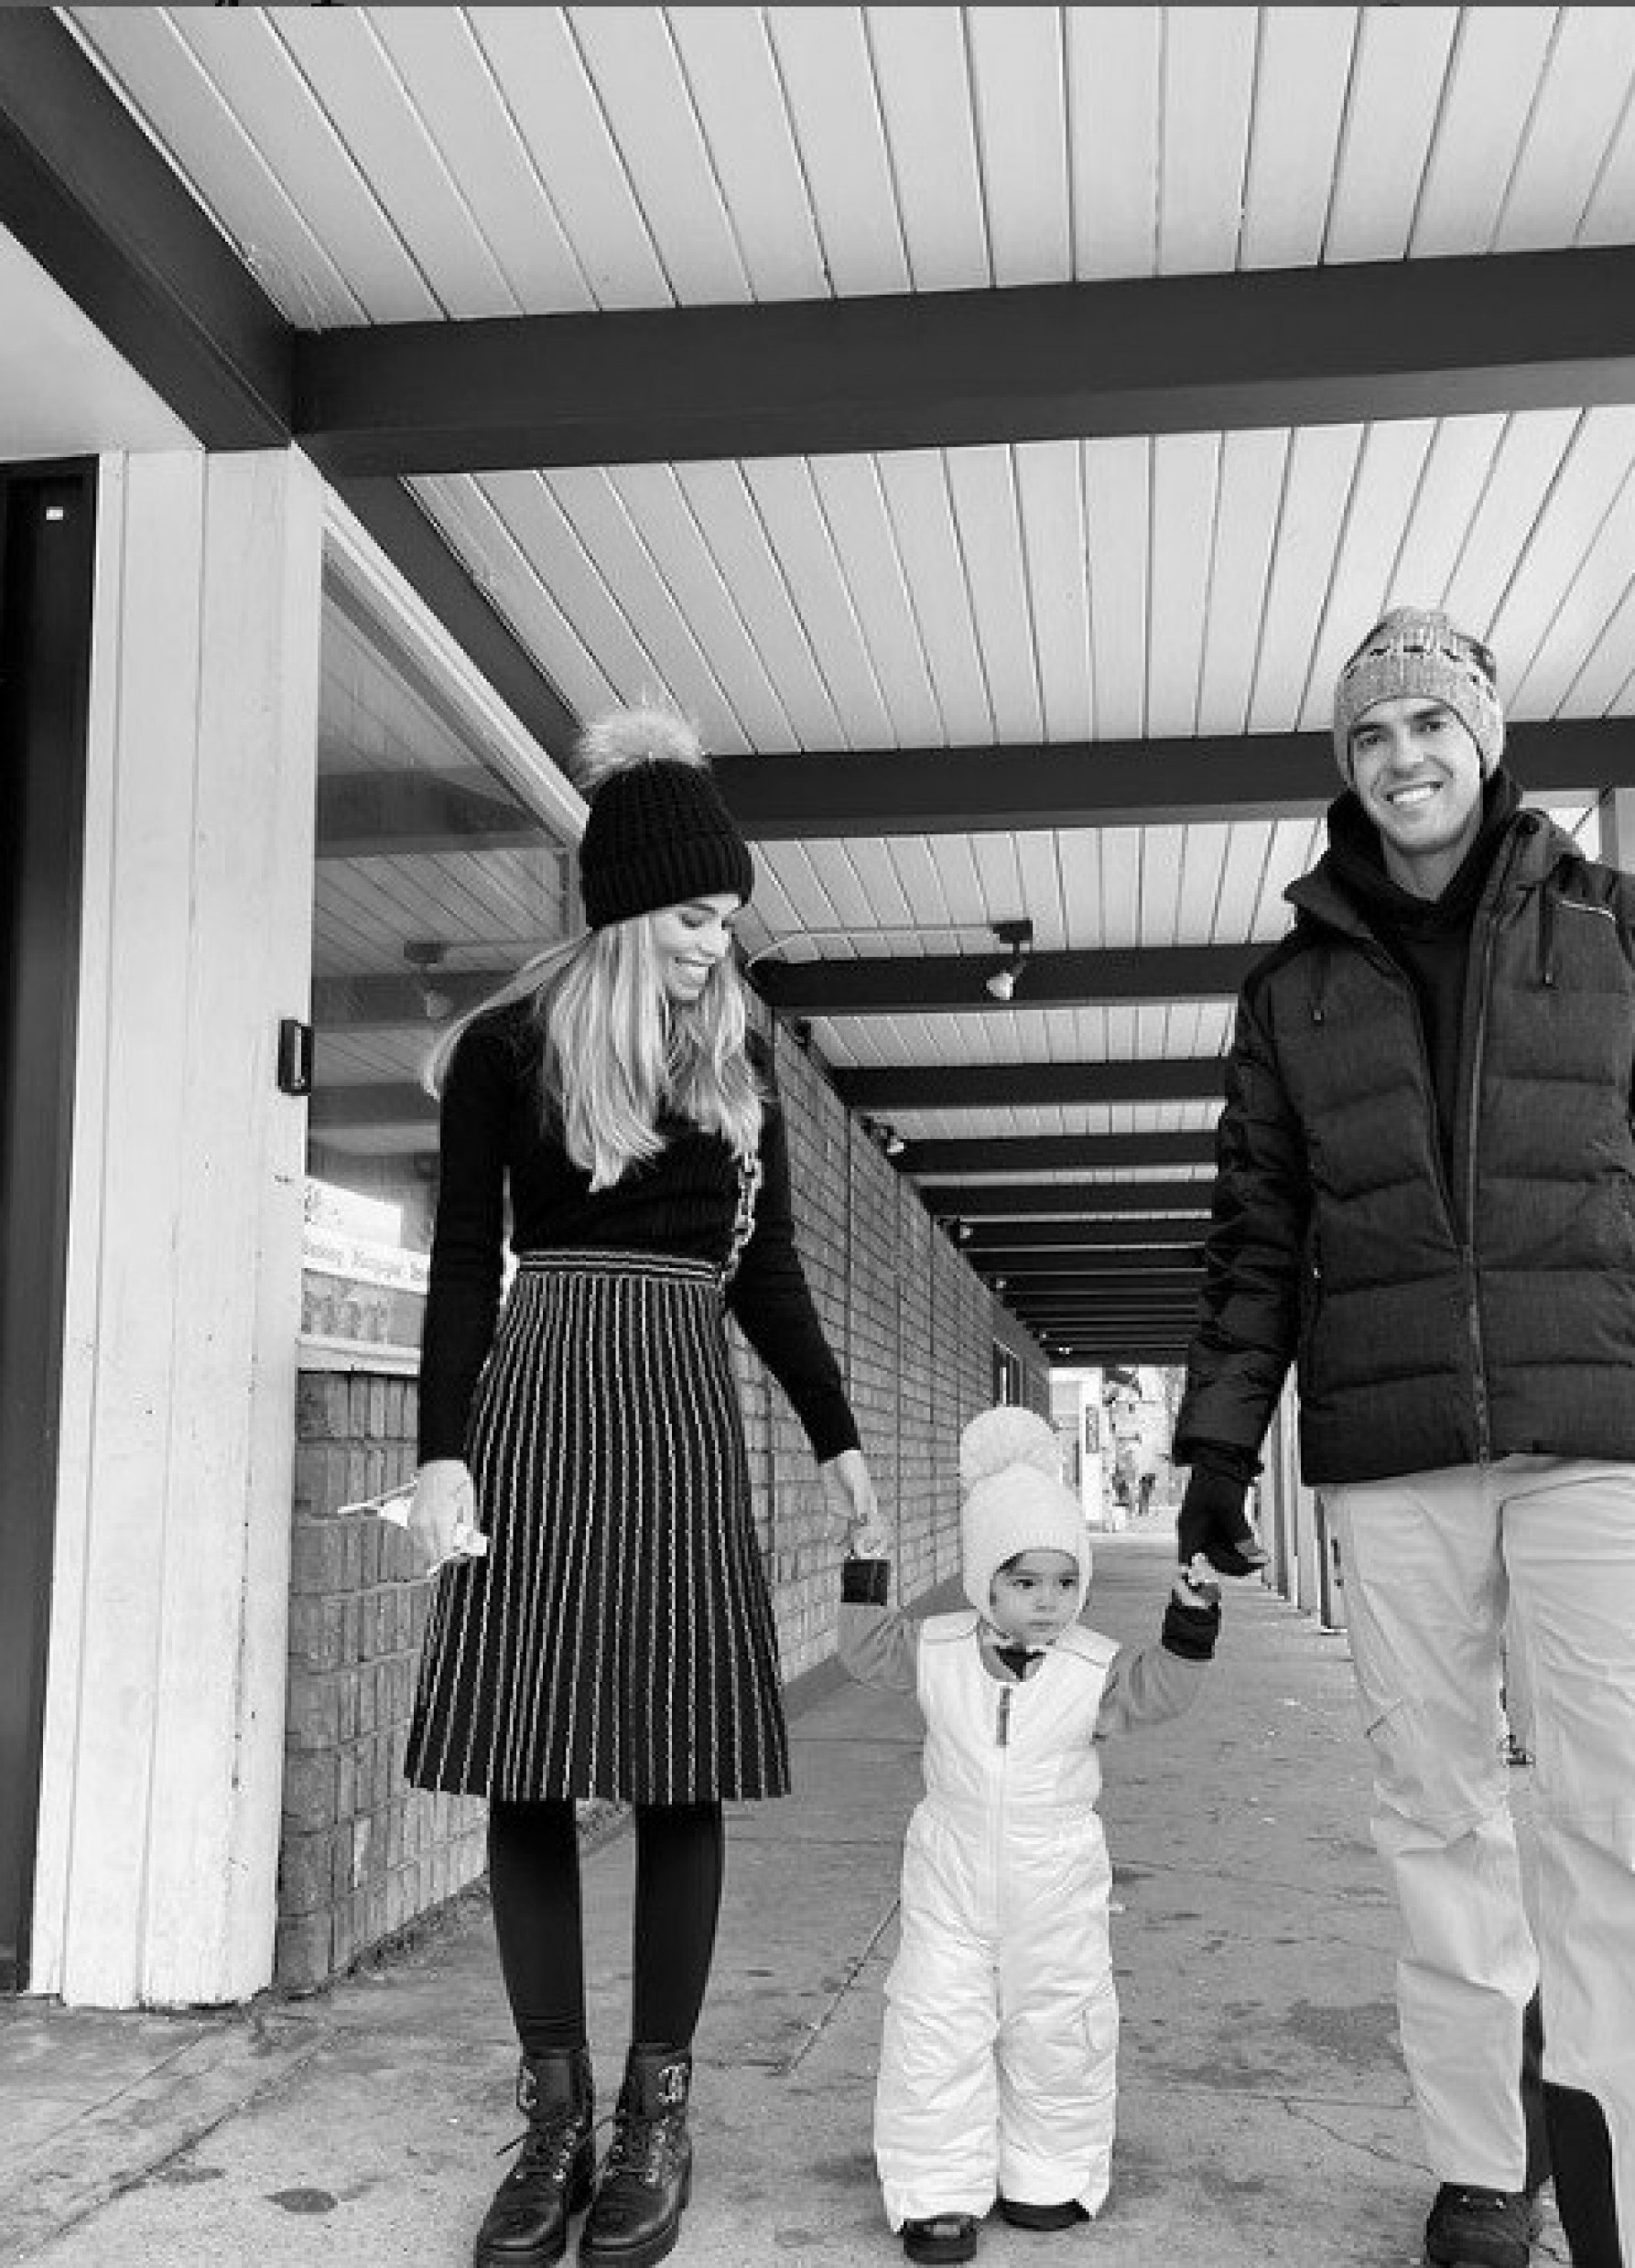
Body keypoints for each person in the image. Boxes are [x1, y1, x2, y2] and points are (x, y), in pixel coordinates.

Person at [1173, 606, 1635, 2268]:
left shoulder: (1624, 927)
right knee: (1433, 1820)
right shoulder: (1294, 986)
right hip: (1398, 1448)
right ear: (1345, 771)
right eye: (1370, 737)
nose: (1404, 758)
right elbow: (1256, 1229)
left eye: (1430, 724)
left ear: (1489, 740)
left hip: (1599, 1433)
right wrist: (1221, 1443)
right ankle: (1488, 2161)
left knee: (1618, 1834)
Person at [403, 705, 883, 2268]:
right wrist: (441, 1449)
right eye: (691, 916)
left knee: (680, 1758)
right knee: (524, 1756)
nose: (711, 946)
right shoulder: (503, 1052)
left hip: (678, 1404)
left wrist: (842, 1442)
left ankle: (656, 2111)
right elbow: (465, 1263)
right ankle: (553, 2112)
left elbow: (782, 1281)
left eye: (728, 920)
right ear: (621, 908)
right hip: (538, 1392)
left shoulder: (739, 1061)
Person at [838, 1405, 1220, 2264]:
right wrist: (866, 1563)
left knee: (1059, 2020)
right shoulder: (934, 1650)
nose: (1048, 1602)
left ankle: (1049, 2170)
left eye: (1063, 1582)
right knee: (937, 2022)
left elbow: (1165, 1691)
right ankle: (937, 2189)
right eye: (1024, 1582)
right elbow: (866, 1653)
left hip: (1056, 1878)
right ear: (985, 1582)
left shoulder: (1093, 1669)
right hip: (951, 1873)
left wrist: (1190, 1618)